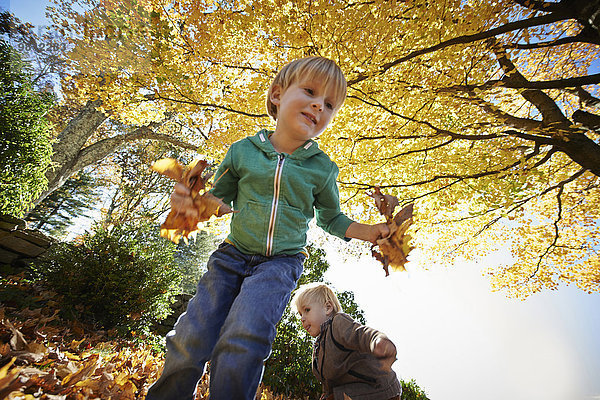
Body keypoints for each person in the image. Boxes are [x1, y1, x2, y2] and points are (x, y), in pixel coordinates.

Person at [145, 56, 390, 400]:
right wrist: (193, 202)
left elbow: (331, 219)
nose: (319, 104)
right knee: (191, 336)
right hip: (231, 256)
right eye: (310, 91)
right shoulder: (243, 152)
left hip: (280, 265)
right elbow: (217, 199)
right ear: (277, 95)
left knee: (243, 338)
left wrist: (370, 231)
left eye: (330, 104)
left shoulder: (322, 169)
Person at [293, 282, 402, 400]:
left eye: (307, 310)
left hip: (379, 387)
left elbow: (361, 333)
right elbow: (329, 381)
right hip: (354, 391)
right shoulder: (318, 352)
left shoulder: (337, 323)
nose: (302, 318)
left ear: (328, 307)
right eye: (300, 314)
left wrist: (377, 340)